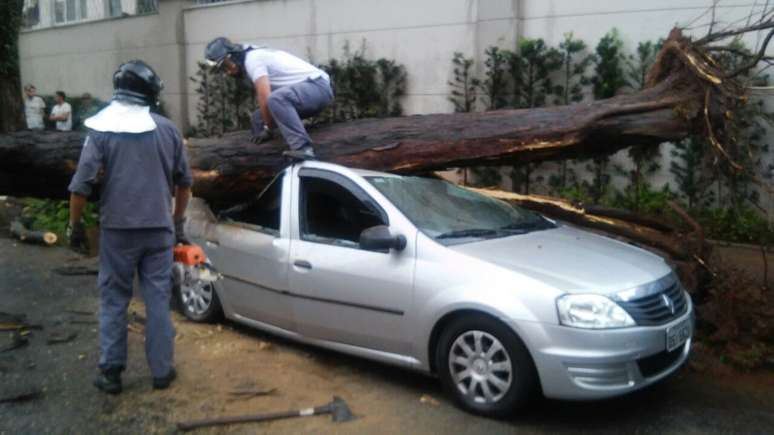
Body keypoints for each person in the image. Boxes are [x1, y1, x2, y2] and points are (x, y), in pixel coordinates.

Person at [67, 60, 192, 395]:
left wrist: (74, 226)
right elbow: (184, 185)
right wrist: (177, 222)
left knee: (113, 300)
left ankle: (111, 373)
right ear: (150, 94)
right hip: (159, 231)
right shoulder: (168, 130)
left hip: (118, 232)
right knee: (157, 300)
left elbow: (80, 186)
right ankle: (162, 372)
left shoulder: (101, 131)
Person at [204, 37, 333, 160]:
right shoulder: (251, 58)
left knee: (275, 100)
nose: (228, 72)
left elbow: (265, 96)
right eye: (223, 69)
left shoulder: (253, 59)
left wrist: (268, 129)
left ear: (233, 56)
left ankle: (304, 148)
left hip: (318, 87)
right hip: (307, 93)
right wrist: (266, 127)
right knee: (258, 118)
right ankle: (267, 159)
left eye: (227, 65)